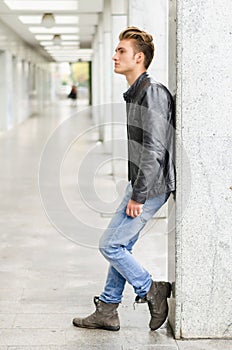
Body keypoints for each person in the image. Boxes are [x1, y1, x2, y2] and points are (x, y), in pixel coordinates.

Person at [73, 27, 175, 331]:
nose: (115, 56)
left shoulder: (152, 92)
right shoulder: (137, 90)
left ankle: (151, 289)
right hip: (141, 183)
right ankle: (107, 309)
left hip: (151, 186)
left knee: (111, 246)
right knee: (120, 244)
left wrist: (139, 195)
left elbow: (154, 148)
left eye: (121, 51)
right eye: (116, 50)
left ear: (139, 58)